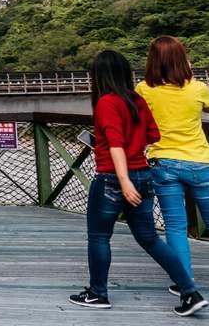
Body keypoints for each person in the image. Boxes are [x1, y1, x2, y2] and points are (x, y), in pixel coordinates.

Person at [69, 49, 204, 315]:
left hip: (113, 178)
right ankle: (190, 292)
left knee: (99, 237)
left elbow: (115, 144)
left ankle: (98, 293)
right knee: (150, 239)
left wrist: (123, 179)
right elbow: (153, 135)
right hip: (143, 174)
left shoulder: (107, 102)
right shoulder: (137, 100)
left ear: (99, 76)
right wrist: (133, 144)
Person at [141, 35, 209, 315]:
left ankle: (186, 285)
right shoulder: (199, 88)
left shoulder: (145, 89)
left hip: (164, 162)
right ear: (184, 59)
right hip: (200, 162)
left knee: (175, 226)